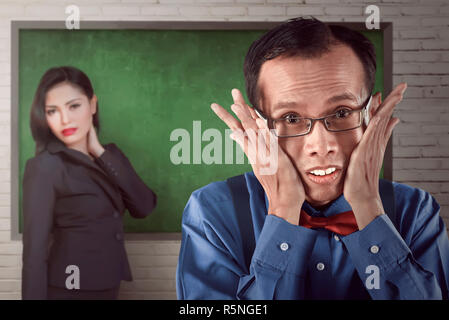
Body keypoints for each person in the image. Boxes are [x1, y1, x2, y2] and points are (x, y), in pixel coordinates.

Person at [176, 17, 449, 299]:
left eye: (342, 113)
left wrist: (369, 209)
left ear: (372, 115)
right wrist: (283, 211)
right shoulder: (212, 213)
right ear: (257, 126)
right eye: (291, 118)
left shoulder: (415, 211)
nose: (321, 145)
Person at [22, 66, 157, 300]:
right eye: (52, 111)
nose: (65, 119)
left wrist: (98, 151)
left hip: (108, 284)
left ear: (92, 104)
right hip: (68, 289)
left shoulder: (110, 156)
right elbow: (35, 251)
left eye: (74, 106)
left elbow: (144, 206)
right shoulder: (45, 166)